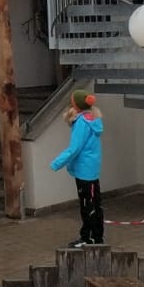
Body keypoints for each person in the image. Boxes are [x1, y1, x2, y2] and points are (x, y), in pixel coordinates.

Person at [51, 91, 104, 247]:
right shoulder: (93, 120)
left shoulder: (81, 123)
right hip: (91, 169)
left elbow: (75, 149)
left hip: (84, 171)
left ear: (76, 105)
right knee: (94, 203)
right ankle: (96, 236)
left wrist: (56, 163)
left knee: (88, 205)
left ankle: (90, 238)